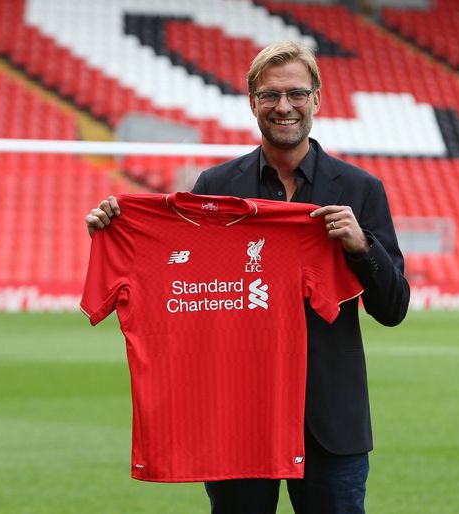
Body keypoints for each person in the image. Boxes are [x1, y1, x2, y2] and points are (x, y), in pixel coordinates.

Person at [86, 41, 409, 514]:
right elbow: (189, 285)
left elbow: (393, 308)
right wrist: (119, 235)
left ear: (316, 99)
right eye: (270, 95)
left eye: (296, 94)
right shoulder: (215, 187)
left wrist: (363, 247)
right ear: (252, 101)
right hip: (238, 415)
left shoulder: (360, 189)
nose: (284, 106)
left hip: (328, 419)